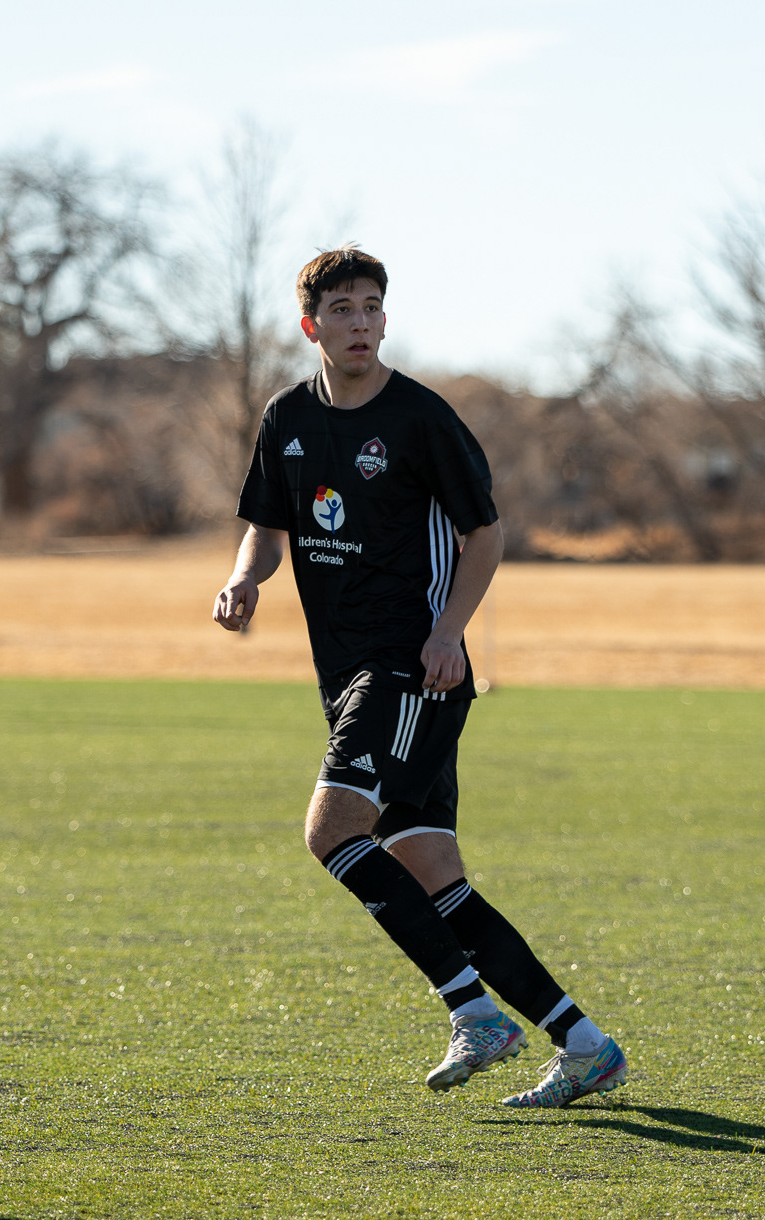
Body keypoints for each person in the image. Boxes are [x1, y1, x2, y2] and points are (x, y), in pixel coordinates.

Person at [212, 246, 626, 1107]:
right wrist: (245, 578)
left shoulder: (422, 418)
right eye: (343, 310)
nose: (360, 323)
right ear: (311, 326)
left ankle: (473, 1012)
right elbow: (267, 526)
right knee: (433, 873)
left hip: (412, 665)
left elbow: (487, 535)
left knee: (331, 831)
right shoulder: (287, 417)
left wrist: (447, 632)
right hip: (347, 673)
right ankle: (585, 1046)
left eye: (372, 307)